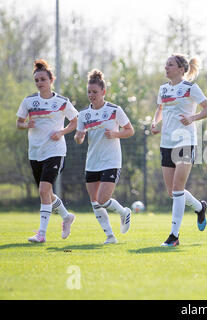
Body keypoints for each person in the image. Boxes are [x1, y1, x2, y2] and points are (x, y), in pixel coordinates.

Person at [150, 54, 207, 247]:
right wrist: (155, 122)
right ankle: (199, 207)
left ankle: (174, 236)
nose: (166, 68)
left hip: (186, 142)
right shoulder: (163, 89)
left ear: (181, 69)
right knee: (172, 192)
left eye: (170, 65)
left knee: (178, 189)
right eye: (165, 64)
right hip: (166, 143)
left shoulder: (190, 88)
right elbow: (160, 109)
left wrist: (192, 118)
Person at [16, 59, 78, 243]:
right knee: (46, 193)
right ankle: (66, 217)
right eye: (36, 80)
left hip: (55, 151)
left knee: (44, 189)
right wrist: (27, 124)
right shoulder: (29, 101)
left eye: (43, 79)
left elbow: (75, 121)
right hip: (35, 152)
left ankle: (41, 234)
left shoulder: (62, 101)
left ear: (51, 80)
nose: (39, 83)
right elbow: (19, 123)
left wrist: (62, 132)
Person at [74, 69, 134, 244]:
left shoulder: (115, 110)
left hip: (111, 161)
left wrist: (115, 134)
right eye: (89, 92)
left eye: (95, 92)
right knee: (95, 202)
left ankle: (124, 213)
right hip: (92, 162)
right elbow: (79, 137)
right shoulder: (84, 114)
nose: (91, 95)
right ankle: (110, 236)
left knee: (103, 199)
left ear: (103, 92)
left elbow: (130, 130)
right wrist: (79, 137)